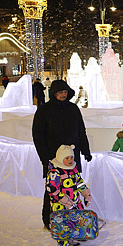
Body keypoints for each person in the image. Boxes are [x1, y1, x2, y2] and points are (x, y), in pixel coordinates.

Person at [32, 79, 92, 229]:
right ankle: (49, 220)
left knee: (74, 188)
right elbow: (38, 136)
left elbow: (81, 132)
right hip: (52, 158)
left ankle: (74, 221)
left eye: (65, 92)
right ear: (53, 94)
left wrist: (86, 151)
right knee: (52, 190)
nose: (63, 95)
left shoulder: (73, 109)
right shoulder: (44, 111)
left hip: (72, 158)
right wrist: (45, 158)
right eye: (59, 92)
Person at [46, 144, 92, 246]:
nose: (70, 160)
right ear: (60, 158)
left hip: (75, 200)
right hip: (61, 204)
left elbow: (80, 183)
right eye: (67, 158)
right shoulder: (55, 172)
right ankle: (64, 242)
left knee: (80, 217)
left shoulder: (74, 170)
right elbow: (52, 188)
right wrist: (64, 200)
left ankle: (80, 234)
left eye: (71, 157)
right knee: (63, 222)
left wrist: (86, 194)